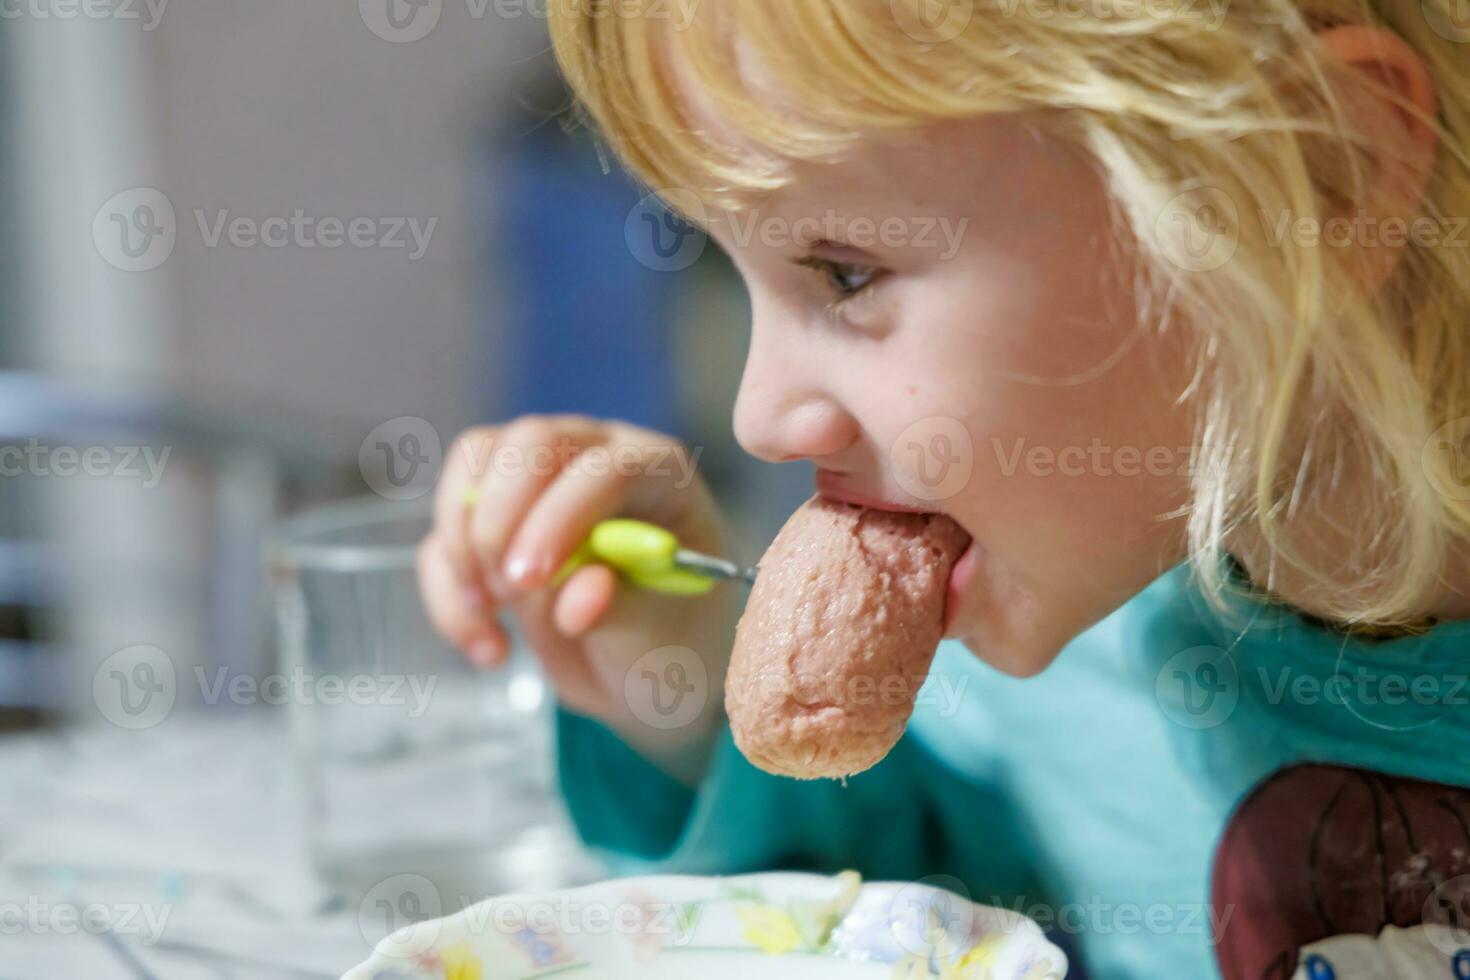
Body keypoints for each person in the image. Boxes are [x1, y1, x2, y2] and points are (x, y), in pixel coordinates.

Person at [417, 1, 1470, 974]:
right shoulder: (1065, 636)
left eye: (844, 270)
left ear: (1323, 170)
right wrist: (683, 681)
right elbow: (883, 897)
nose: (760, 415)